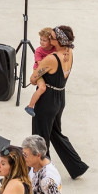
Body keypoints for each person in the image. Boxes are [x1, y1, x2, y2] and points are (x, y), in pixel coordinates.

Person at [27, 27, 87, 181]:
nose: (50, 40)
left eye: (52, 38)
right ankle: (76, 166)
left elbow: (33, 79)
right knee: (55, 133)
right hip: (60, 97)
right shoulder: (69, 53)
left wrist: (38, 78)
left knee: (39, 138)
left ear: (59, 41)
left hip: (47, 100)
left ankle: (41, 174)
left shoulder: (52, 58)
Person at [22, 28, 57, 117]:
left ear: (51, 41)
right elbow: (40, 64)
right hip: (38, 71)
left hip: (48, 71)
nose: (41, 42)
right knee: (42, 88)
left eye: (44, 40)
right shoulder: (38, 50)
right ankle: (30, 106)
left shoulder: (55, 49)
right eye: (40, 39)